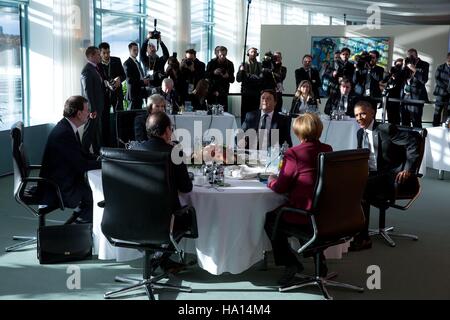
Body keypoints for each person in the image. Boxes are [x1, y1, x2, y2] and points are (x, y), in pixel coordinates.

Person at [264, 113, 332, 285]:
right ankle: (318, 259)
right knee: (300, 216)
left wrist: (271, 180)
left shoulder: (294, 153)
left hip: (304, 213)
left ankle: (291, 263)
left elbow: (280, 187)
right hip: (326, 212)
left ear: (298, 132)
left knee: (271, 220)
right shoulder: (327, 150)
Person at [350, 100, 421, 251]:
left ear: (372, 113)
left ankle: (363, 238)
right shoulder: (359, 133)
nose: (359, 118)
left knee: (362, 189)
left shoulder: (385, 129)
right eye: (356, 115)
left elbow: (413, 141)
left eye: (362, 113)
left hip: (391, 175)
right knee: (348, 184)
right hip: (373, 174)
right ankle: (351, 231)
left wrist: (408, 169)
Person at [130, 111, 193, 273]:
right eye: (171, 129)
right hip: (165, 218)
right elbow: (186, 188)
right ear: (166, 131)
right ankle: (158, 259)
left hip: (133, 215)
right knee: (187, 219)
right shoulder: (175, 153)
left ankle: (161, 260)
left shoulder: (135, 150)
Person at [38, 96, 101, 224]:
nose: (89, 113)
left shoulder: (67, 127)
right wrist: (105, 164)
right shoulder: (64, 133)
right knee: (95, 195)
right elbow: (81, 165)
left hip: (61, 180)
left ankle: (76, 225)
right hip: (58, 188)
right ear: (78, 113)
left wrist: (100, 158)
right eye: (87, 110)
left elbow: (82, 154)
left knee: (90, 193)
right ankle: (76, 231)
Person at [80, 46, 105, 156]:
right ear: (91, 56)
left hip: (97, 107)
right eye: (98, 54)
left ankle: (96, 155)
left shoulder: (95, 68)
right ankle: (82, 155)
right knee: (89, 133)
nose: (100, 56)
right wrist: (92, 109)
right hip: (92, 109)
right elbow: (87, 92)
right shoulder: (87, 70)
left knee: (96, 133)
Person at [400, 48, 430, 128]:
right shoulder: (406, 64)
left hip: (417, 97)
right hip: (405, 97)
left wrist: (414, 69)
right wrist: (403, 66)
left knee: (416, 121)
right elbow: (400, 79)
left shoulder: (424, 64)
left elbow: (424, 80)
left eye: (412, 56)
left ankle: (418, 139)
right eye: (408, 56)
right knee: (404, 122)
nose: (410, 58)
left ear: (416, 56)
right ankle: (406, 139)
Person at [237, 47, 263, 122]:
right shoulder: (243, 64)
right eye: (252, 52)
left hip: (256, 93)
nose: (253, 54)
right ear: (248, 54)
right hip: (246, 92)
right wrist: (241, 71)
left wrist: (249, 76)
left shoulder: (260, 65)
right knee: (245, 112)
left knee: (255, 113)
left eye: (255, 52)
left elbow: (261, 78)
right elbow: (238, 79)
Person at [206, 46, 235, 111]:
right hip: (212, 91)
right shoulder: (211, 63)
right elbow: (206, 76)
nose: (222, 57)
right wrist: (214, 72)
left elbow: (232, 80)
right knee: (211, 112)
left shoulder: (229, 64)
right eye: (220, 55)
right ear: (216, 54)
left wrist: (227, 76)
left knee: (224, 113)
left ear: (226, 54)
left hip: (223, 92)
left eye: (224, 55)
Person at [123, 42, 151, 110]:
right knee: (132, 115)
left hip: (140, 93)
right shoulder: (127, 64)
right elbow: (129, 80)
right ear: (130, 51)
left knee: (138, 115)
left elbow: (139, 76)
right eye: (134, 50)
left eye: (137, 50)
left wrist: (145, 79)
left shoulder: (137, 62)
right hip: (133, 95)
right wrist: (142, 82)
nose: (136, 52)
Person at [380, 58, 405, 125]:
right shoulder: (392, 72)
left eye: (400, 65)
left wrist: (396, 77)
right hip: (389, 96)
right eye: (397, 65)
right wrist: (390, 73)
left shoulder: (404, 73)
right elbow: (383, 80)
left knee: (397, 117)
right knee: (390, 116)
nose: (398, 67)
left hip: (398, 97)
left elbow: (401, 83)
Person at [432, 52, 450, 126]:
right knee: (437, 111)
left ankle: (445, 127)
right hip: (441, 93)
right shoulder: (440, 67)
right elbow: (437, 79)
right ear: (447, 58)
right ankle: (435, 127)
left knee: (448, 112)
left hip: (449, 94)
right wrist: (446, 88)